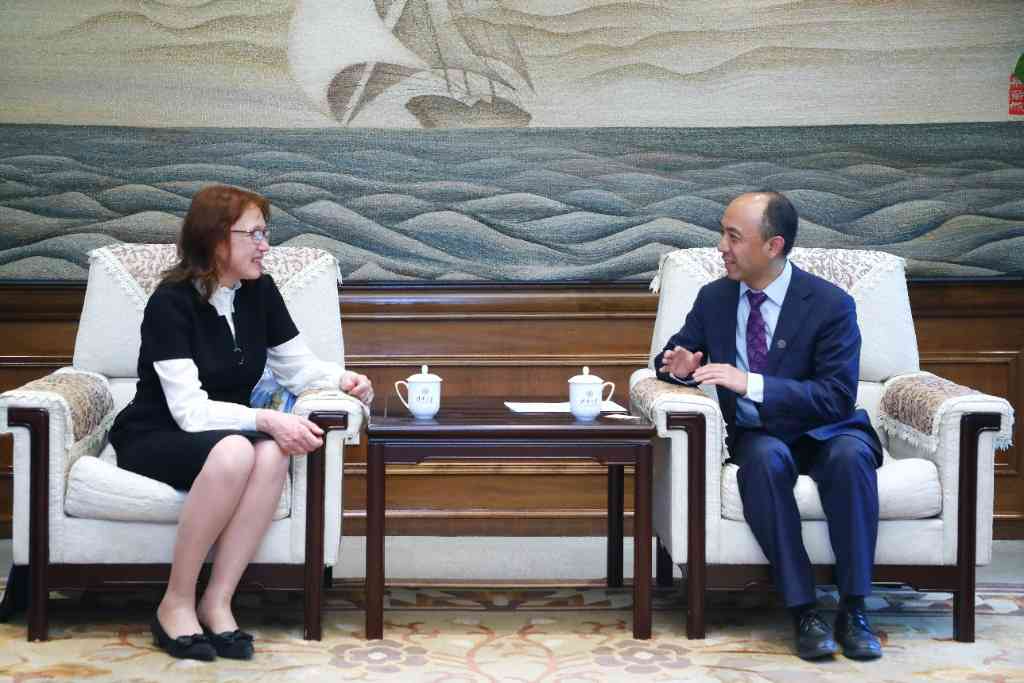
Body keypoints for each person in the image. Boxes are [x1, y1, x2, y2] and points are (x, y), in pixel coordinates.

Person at [109, 185, 373, 661]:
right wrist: (266, 418)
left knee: (271, 453)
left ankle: (217, 601)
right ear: (215, 240)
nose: (265, 246)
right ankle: (175, 602)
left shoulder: (259, 291)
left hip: (224, 430)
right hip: (156, 432)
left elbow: (296, 366)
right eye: (254, 234)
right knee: (238, 449)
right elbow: (189, 412)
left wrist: (343, 379)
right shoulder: (169, 303)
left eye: (265, 233)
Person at [655, 191, 883, 661]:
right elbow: (676, 354)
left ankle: (855, 609)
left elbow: (836, 396)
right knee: (763, 461)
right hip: (758, 436)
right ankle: (804, 611)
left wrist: (751, 383)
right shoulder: (715, 298)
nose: (722, 246)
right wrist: (678, 366)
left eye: (733, 237)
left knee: (850, 458)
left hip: (828, 429)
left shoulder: (830, 304)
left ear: (773, 245)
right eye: (722, 234)